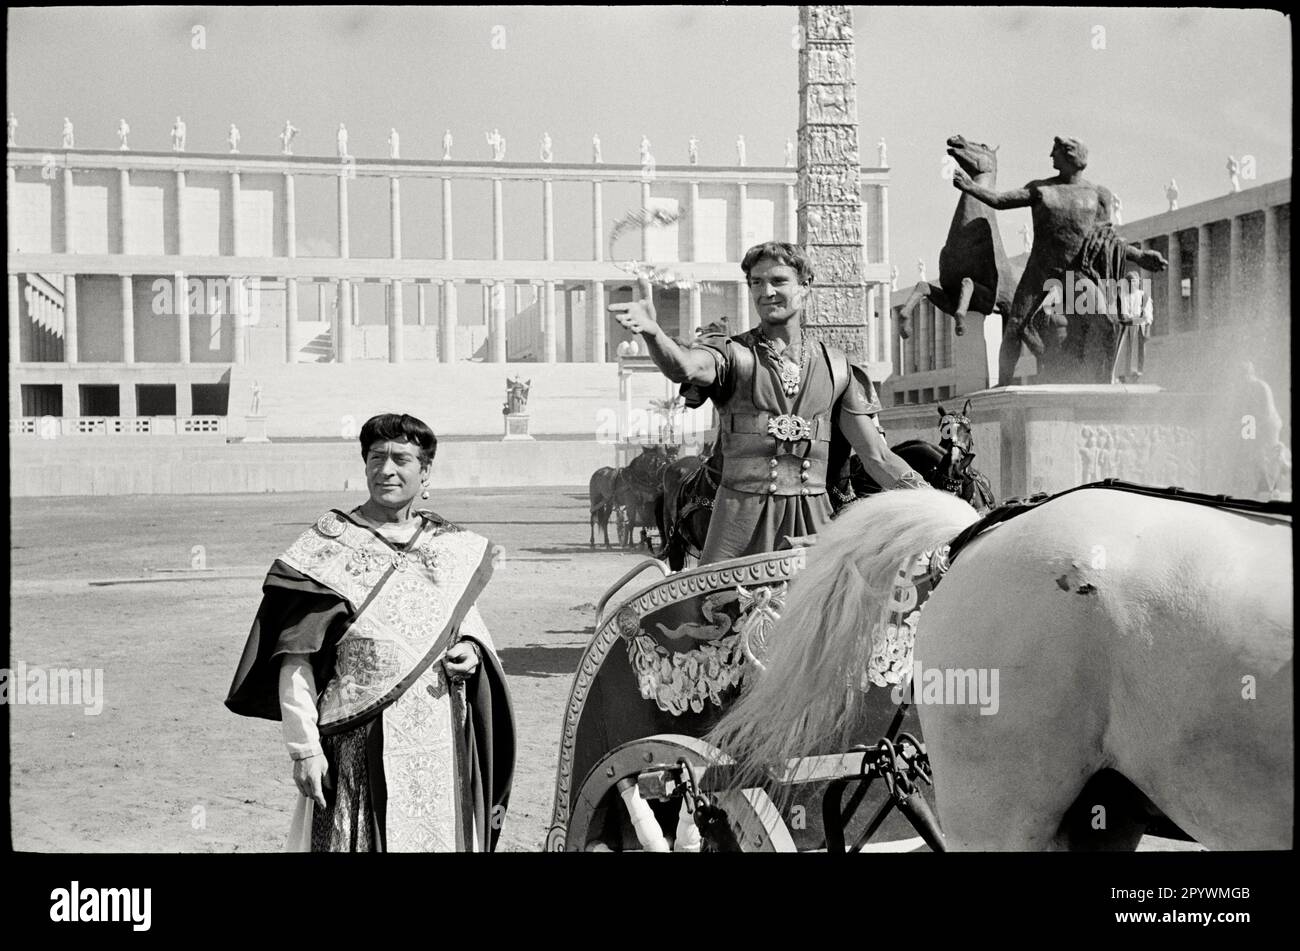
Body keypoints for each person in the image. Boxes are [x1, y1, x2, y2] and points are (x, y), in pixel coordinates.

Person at [226, 413, 515, 851]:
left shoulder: (449, 547)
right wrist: (303, 748)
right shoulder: (327, 549)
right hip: (357, 743)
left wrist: (472, 652)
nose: (386, 470)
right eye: (376, 457)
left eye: (401, 458)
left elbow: (468, 626)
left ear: (425, 471)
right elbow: (296, 658)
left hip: (439, 740)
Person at [610, 242, 928, 564]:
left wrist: (935, 502)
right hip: (737, 530)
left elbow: (877, 457)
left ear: (805, 287)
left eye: (778, 281)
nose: (767, 291)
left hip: (815, 529)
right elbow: (686, 366)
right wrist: (653, 334)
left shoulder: (838, 369)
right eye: (757, 282)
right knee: (713, 611)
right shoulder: (733, 355)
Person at [952, 136, 1166, 385]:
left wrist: (1140, 257)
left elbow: (1107, 241)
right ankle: (1003, 386)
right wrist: (971, 187)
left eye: (1055, 152)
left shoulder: (1097, 195)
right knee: (1015, 327)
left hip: (1077, 274)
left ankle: (1102, 381)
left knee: (1106, 321)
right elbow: (1001, 201)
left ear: (1070, 157)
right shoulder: (1041, 189)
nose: (1051, 157)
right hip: (1040, 270)